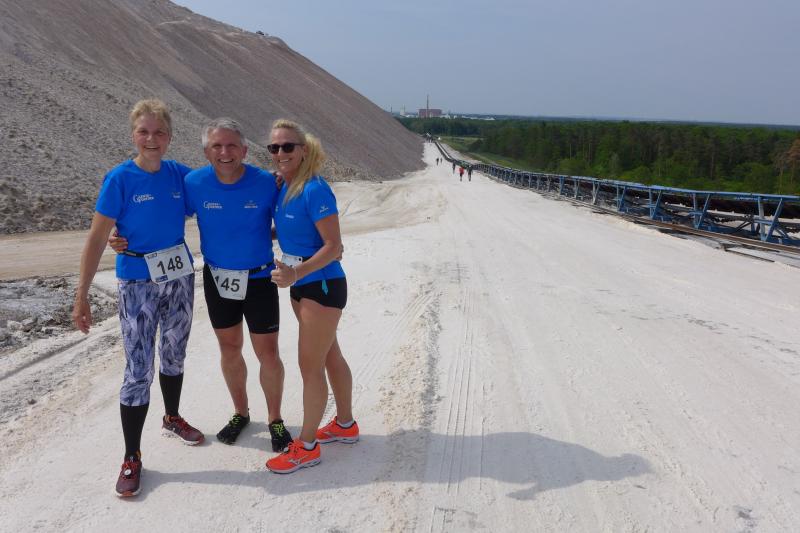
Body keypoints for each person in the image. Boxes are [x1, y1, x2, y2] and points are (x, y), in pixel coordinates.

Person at [110, 118, 293, 453]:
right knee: (230, 349)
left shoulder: (268, 182)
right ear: (206, 152)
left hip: (259, 278)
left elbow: (291, 218)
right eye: (216, 146)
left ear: (245, 150)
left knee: (268, 353)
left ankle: (275, 419)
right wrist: (117, 232)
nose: (225, 152)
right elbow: (157, 208)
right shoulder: (193, 182)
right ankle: (241, 413)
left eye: (231, 145)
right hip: (217, 278)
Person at [72, 98, 203, 498]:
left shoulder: (181, 175)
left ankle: (172, 417)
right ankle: (132, 456)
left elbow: (220, 194)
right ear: (133, 135)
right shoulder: (120, 179)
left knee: (175, 353)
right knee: (138, 369)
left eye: (159, 132)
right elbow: (97, 237)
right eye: (144, 132)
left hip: (178, 278)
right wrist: (82, 295)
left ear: (170, 137)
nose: (151, 139)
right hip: (137, 283)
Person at [265, 119, 358, 474]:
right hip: (303, 285)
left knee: (311, 367)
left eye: (288, 146)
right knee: (330, 356)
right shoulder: (284, 186)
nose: (281, 152)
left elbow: (333, 246)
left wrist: (295, 274)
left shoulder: (315, 189)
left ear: (303, 150)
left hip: (321, 286)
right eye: (274, 147)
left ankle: (306, 447)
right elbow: (292, 229)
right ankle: (345, 424)